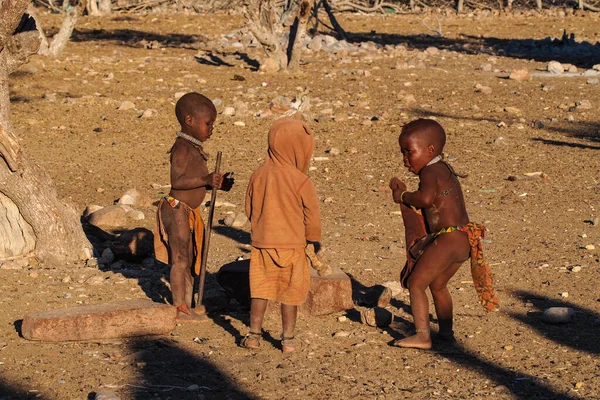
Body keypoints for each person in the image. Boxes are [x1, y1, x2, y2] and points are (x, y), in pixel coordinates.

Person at [389, 118, 498, 350]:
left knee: (416, 283)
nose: (405, 160)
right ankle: (447, 334)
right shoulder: (444, 169)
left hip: (448, 238)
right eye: (402, 153)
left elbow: (425, 199)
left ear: (430, 150)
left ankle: (422, 335)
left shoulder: (429, 172)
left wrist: (403, 196)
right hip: (463, 240)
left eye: (409, 152)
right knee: (438, 285)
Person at [243, 117, 321, 353]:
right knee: (291, 294)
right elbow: (312, 214)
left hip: (262, 245)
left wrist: (260, 226)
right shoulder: (300, 180)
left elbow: (249, 207)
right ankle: (288, 339)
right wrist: (312, 238)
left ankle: (253, 336)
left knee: (260, 291)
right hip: (293, 246)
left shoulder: (258, 174)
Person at [154, 92, 233, 323]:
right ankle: (180, 308)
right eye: (208, 123)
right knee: (180, 258)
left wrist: (218, 183)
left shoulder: (194, 148)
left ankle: (187, 305)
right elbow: (177, 181)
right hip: (176, 208)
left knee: (187, 258)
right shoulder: (182, 148)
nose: (211, 129)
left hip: (187, 211)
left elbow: (197, 180)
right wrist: (207, 179)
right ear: (189, 121)